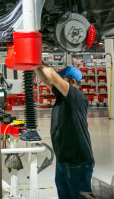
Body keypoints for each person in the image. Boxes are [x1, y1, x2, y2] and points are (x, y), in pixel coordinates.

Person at [34, 63, 94, 199]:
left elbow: (53, 77)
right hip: (63, 160)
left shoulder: (77, 97)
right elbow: (45, 79)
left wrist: (35, 56)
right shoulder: (62, 97)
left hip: (77, 162)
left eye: (63, 80)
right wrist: (34, 64)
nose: (58, 83)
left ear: (73, 82)